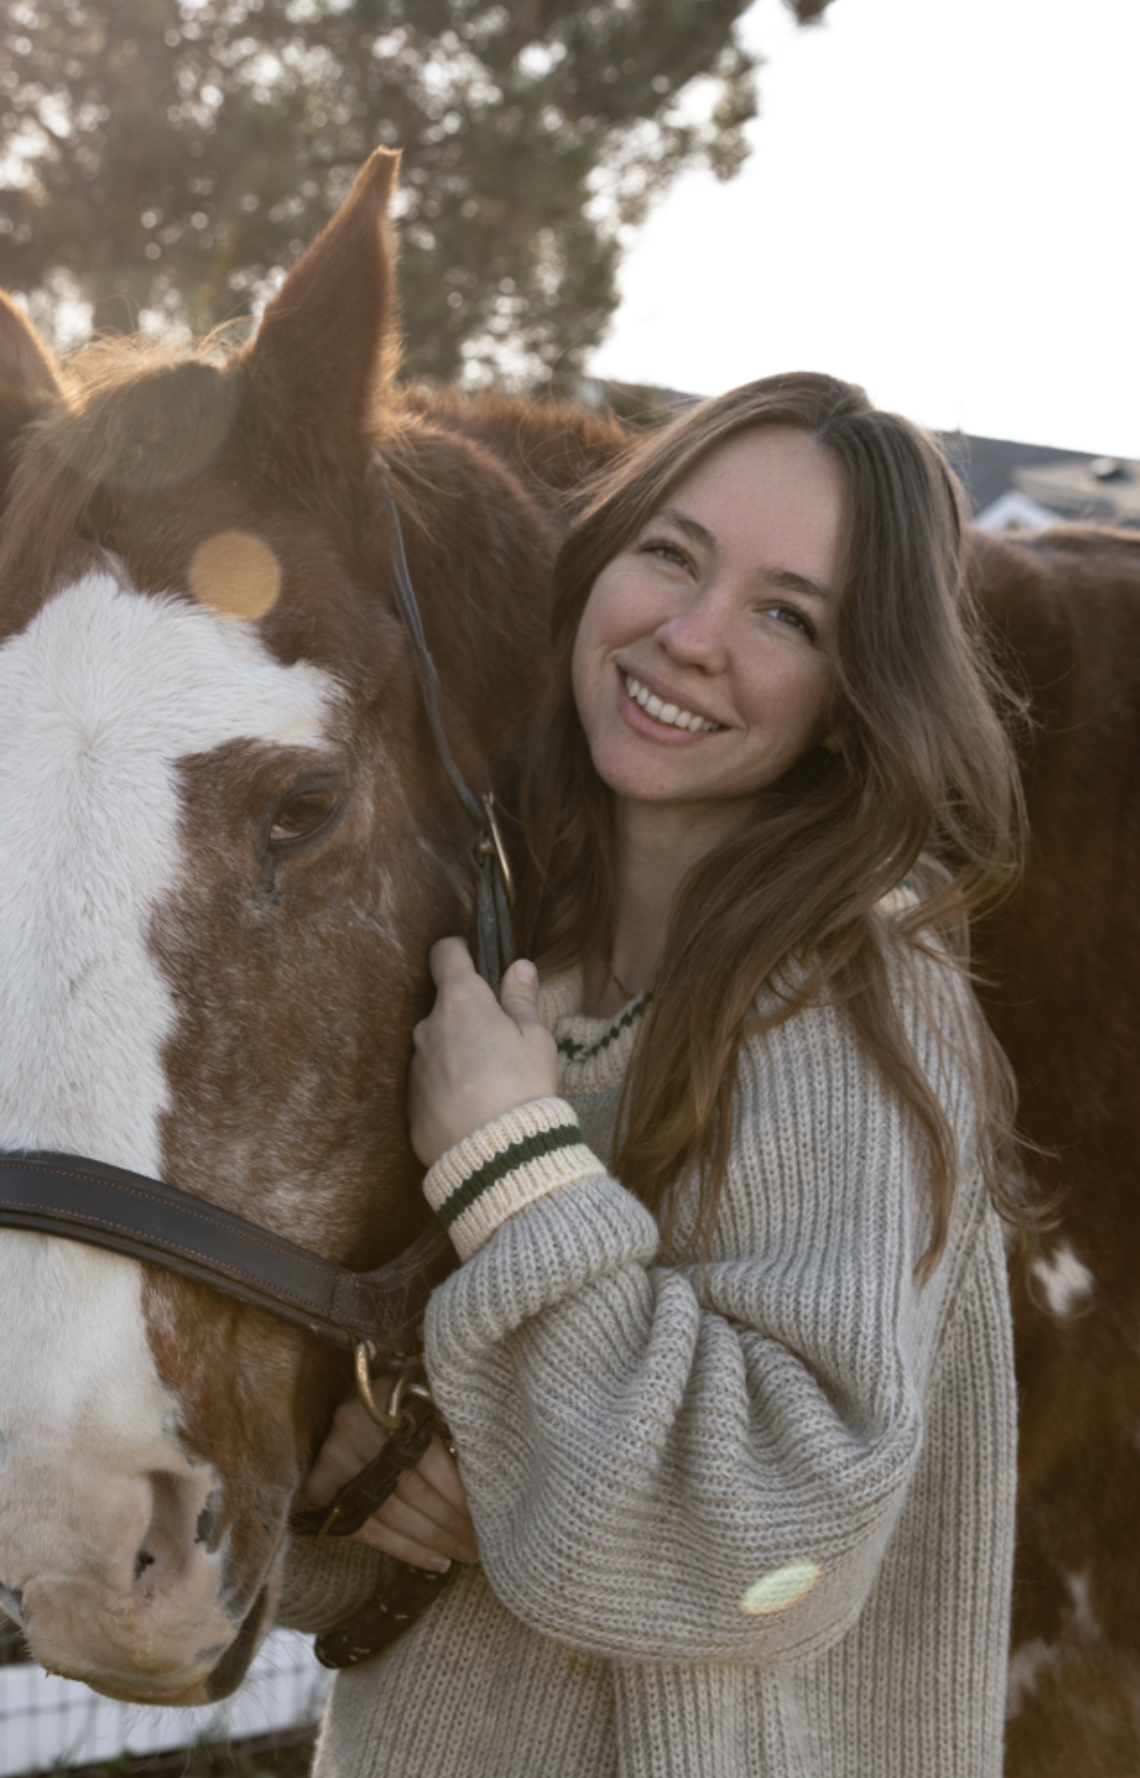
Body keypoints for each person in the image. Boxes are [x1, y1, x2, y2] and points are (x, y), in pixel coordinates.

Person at [280, 372, 1025, 1777]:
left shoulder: (850, 994)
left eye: (788, 616)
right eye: (673, 554)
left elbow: (774, 1538)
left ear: (857, 694)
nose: (690, 637)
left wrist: (511, 1163)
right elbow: (348, 1505)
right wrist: (357, 1474)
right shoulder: (496, 950)